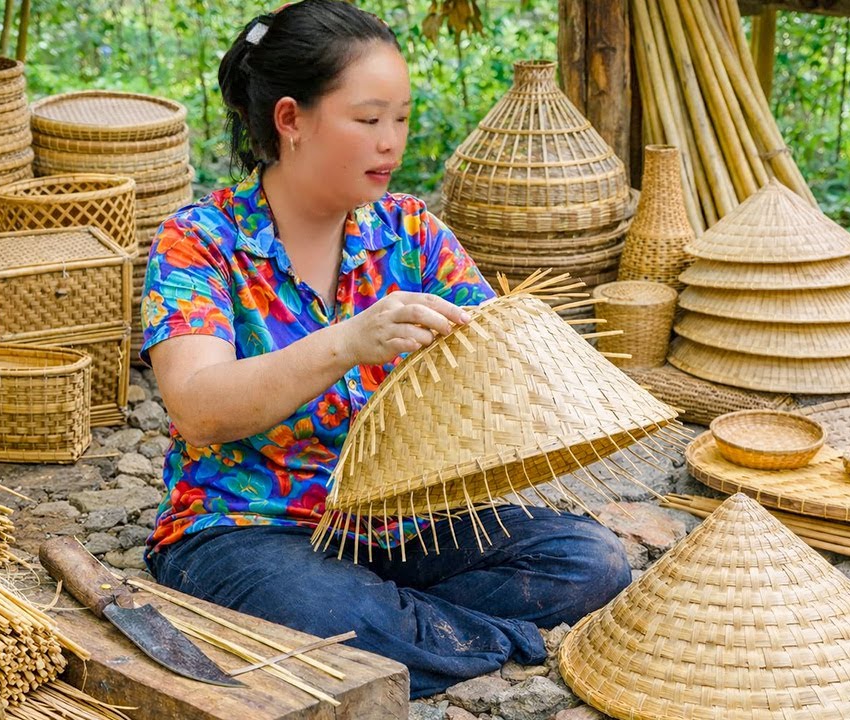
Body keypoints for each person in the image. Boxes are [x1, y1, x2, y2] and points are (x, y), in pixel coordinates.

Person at [139, 0, 630, 697]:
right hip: (253, 528)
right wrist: (347, 341)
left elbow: (496, 353)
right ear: (290, 120)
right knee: (322, 610)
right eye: (368, 120)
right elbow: (199, 409)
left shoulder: (412, 234)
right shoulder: (199, 241)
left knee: (592, 561)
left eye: (399, 118)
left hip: (405, 522)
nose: (391, 142)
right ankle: (464, 638)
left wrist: (520, 349)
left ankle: (394, 640)